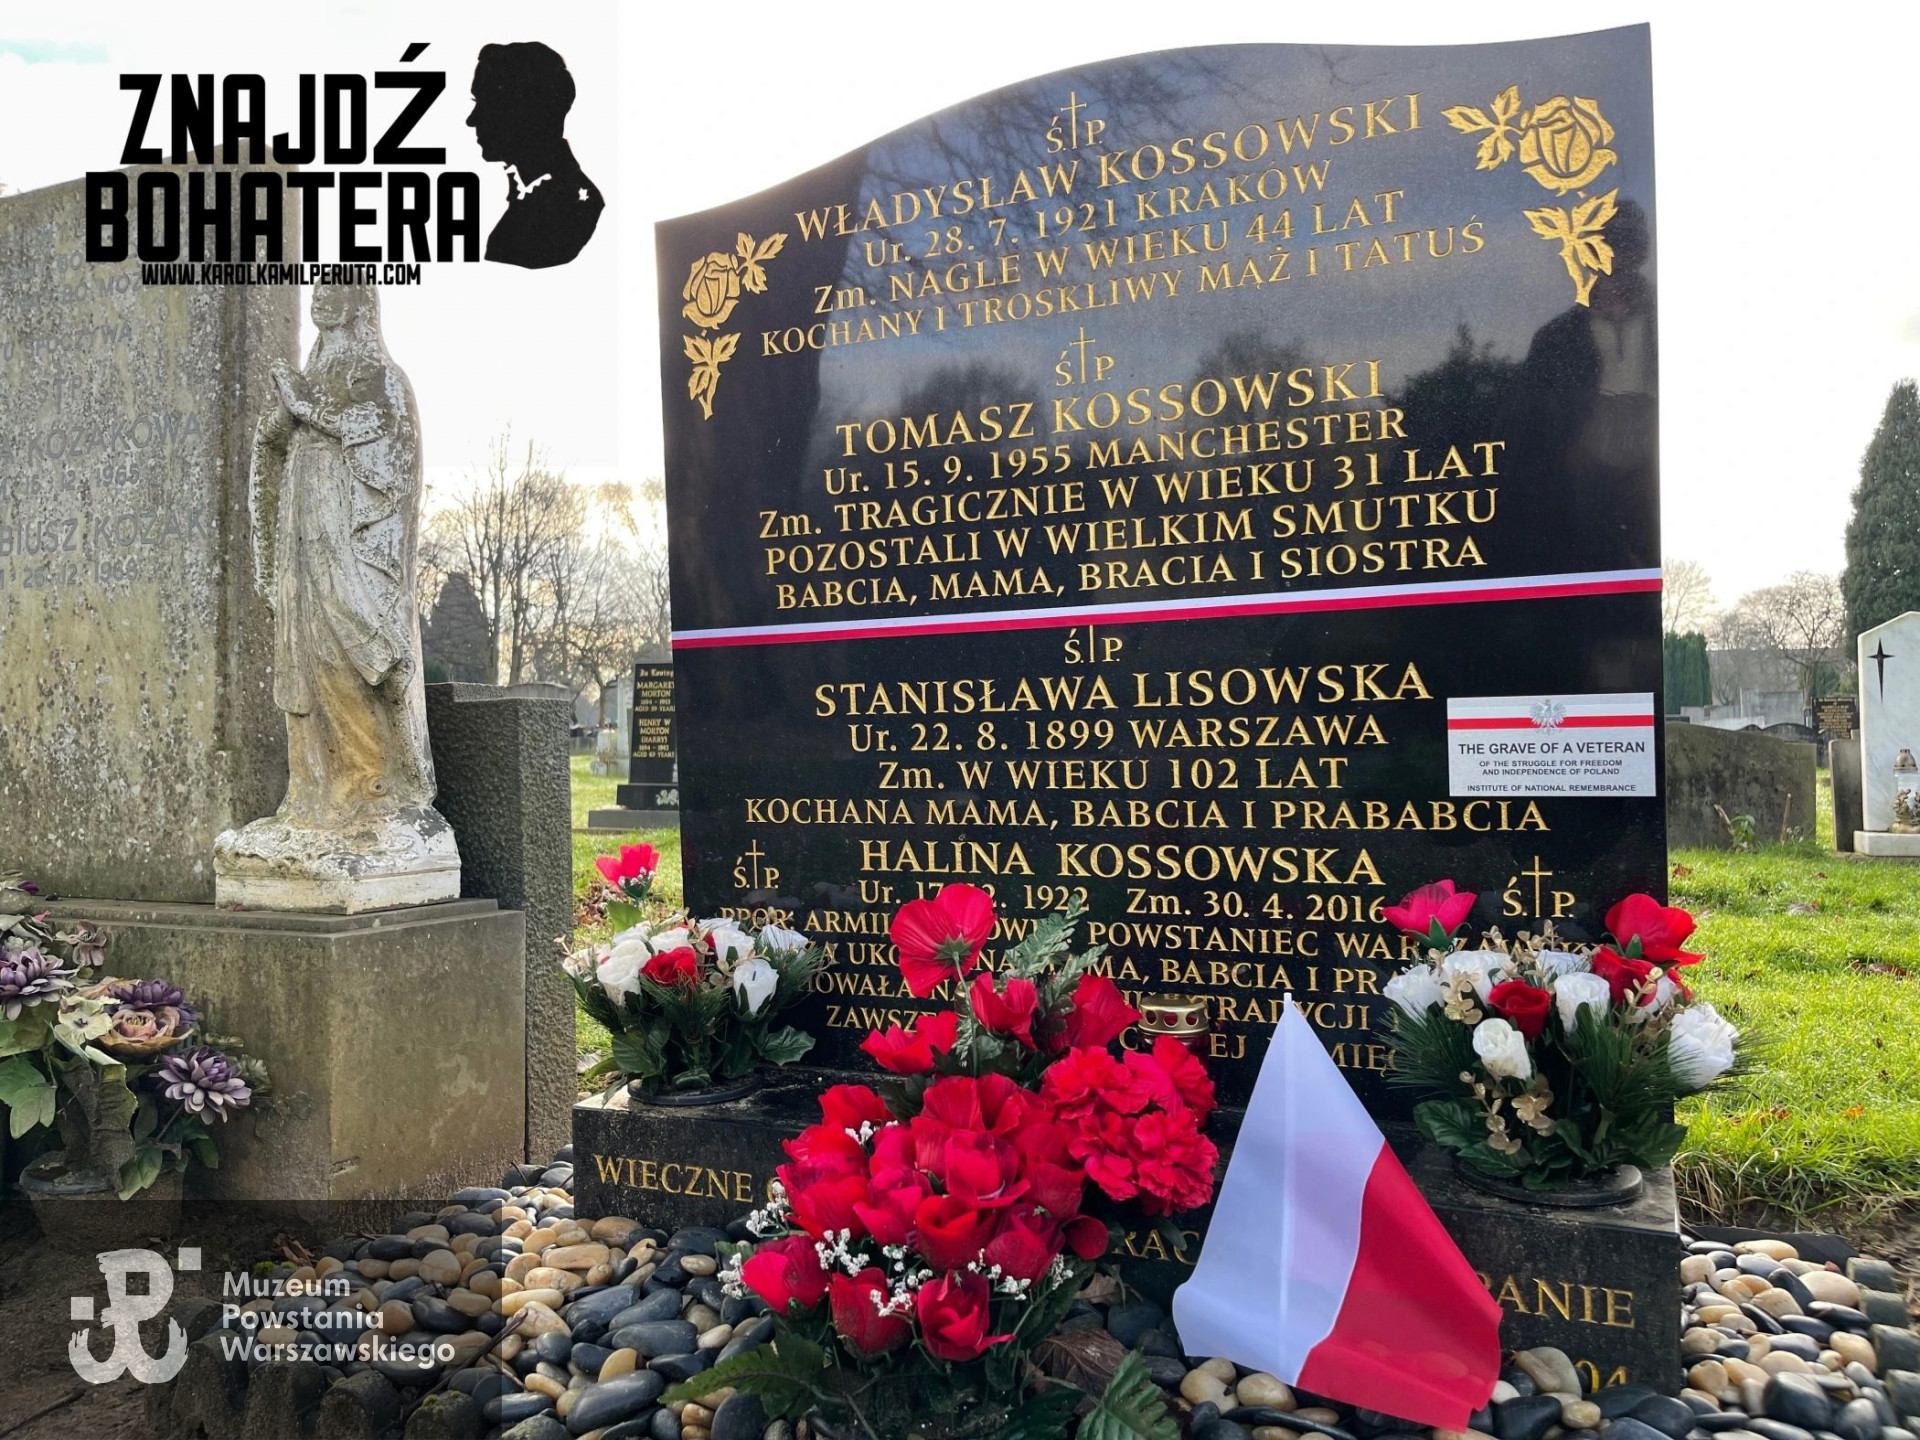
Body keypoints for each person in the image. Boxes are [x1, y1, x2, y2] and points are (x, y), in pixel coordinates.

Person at [215, 283, 457, 909]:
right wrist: (281, 424)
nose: (322, 297)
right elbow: (270, 449)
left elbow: (395, 457)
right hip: (302, 536)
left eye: (335, 287)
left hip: (351, 545)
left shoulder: (380, 374)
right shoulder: (309, 375)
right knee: (303, 661)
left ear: (360, 301)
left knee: (350, 660)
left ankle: (374, 800)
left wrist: (310, 408)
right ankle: (312, 802)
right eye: (317, 286)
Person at [467, 41, 603, 269]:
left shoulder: (572, 209)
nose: (471, 120)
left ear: (525, 112)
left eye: (487, 103)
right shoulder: (528, 201)